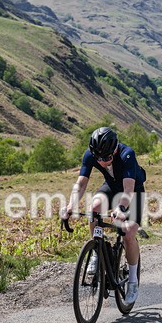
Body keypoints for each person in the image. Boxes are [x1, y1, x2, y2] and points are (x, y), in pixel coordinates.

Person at [61, 126, 146, 304]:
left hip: (133, 191)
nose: (103, 162)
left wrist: (121, 208)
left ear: (114, 150)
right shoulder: (91, 155)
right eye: (98, 159)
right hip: (111, 187)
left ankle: (132, 281)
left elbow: (129, 189)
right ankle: (96, 251)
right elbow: (81, 184)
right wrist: (70, 205)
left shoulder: (127, 154)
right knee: (95, 207)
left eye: (107, 158)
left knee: (129, 233)